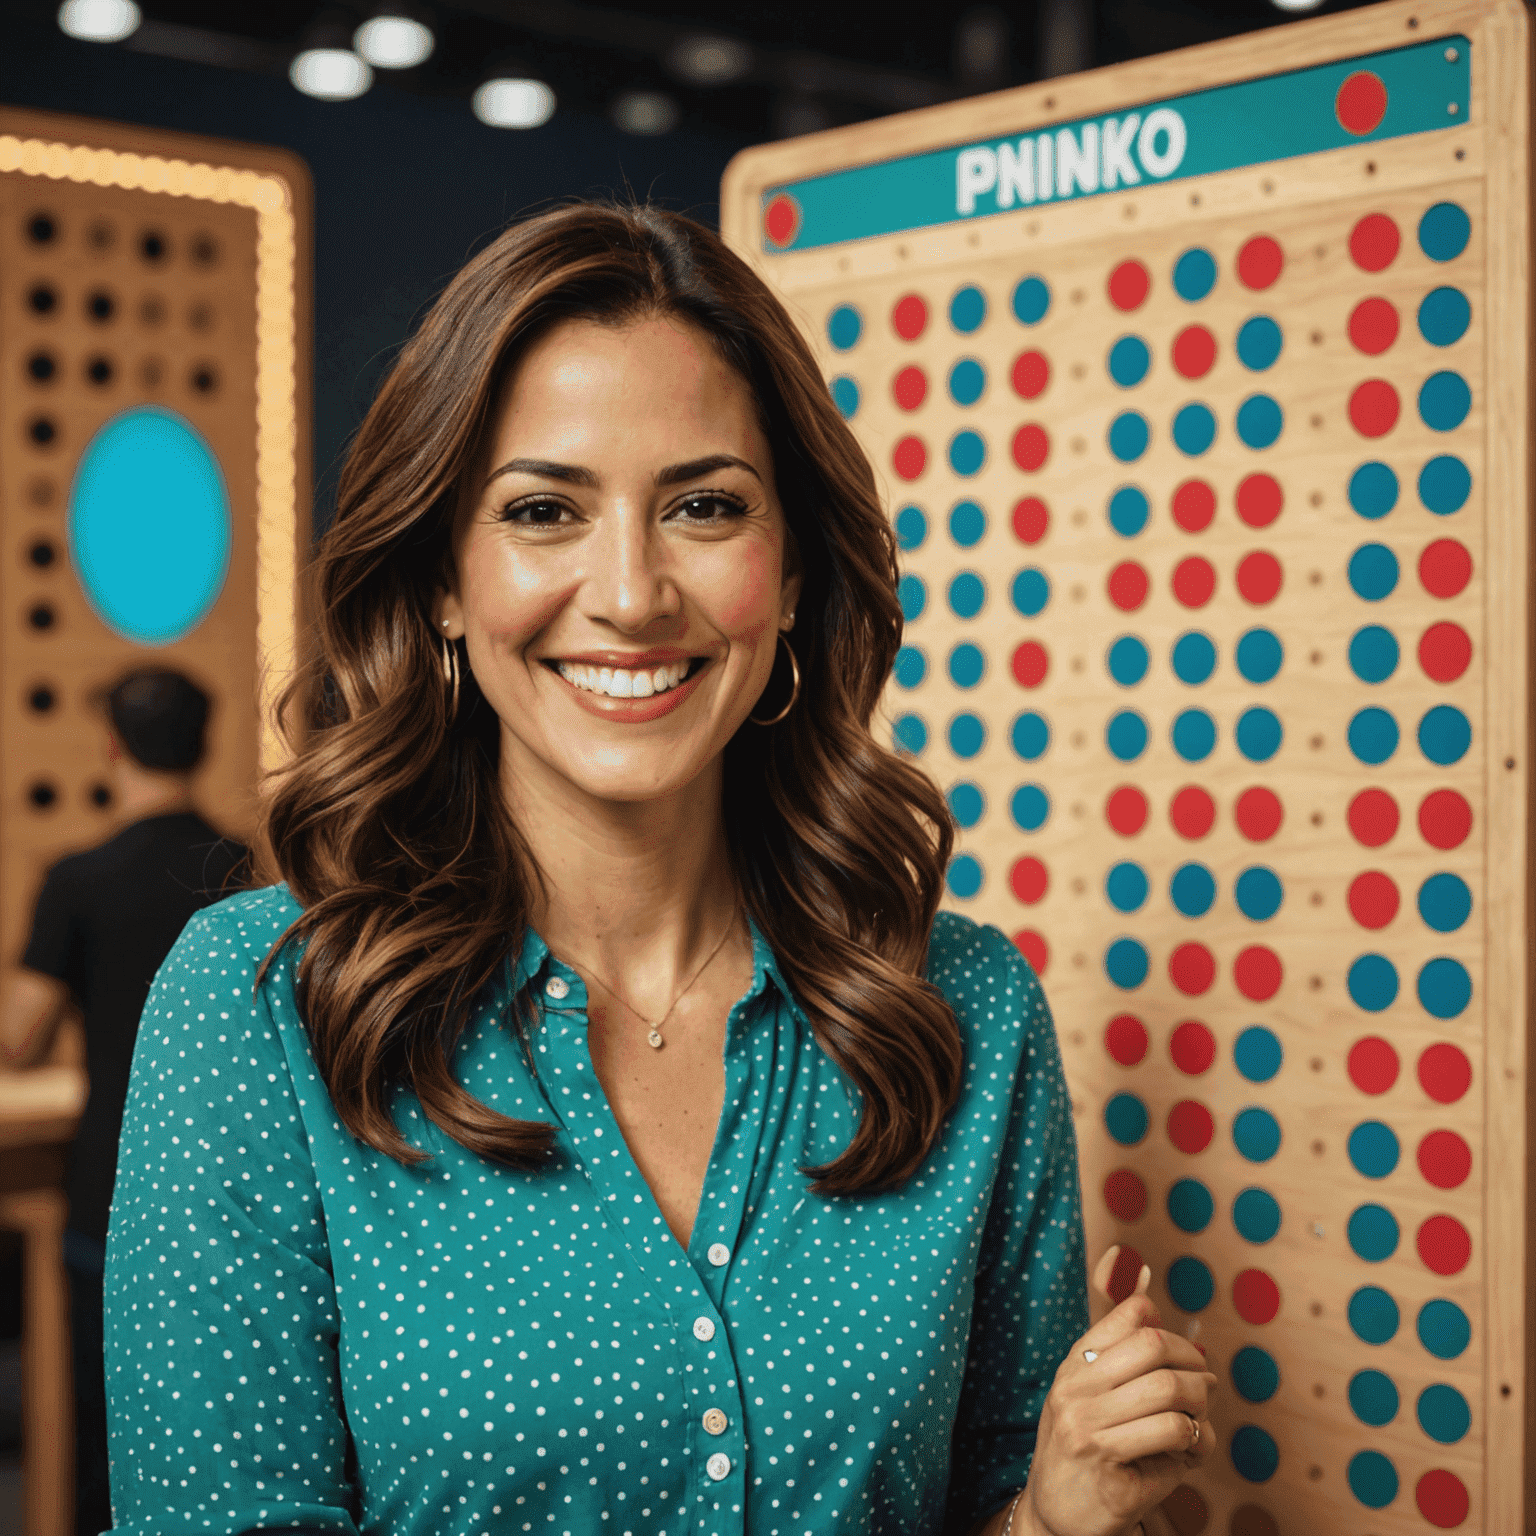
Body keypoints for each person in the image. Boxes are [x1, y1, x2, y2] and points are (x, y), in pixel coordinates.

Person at [104, 204, 1213, 1536]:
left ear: (794, 569)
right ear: (445, 579)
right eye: (543, 511)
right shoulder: (256, 1006)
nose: (630, 592)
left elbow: (987, 1502)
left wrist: (1062, 1512)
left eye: (702, 505)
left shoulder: (963, 1008)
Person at [1, 666, 248, 1536]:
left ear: (111, 746)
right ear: (205, 745)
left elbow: (17, 1036)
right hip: (241, 1204)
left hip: (113, 1195)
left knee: (107, 1441)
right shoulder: (248, 877)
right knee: (234, 1446)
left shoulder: (79, 879)